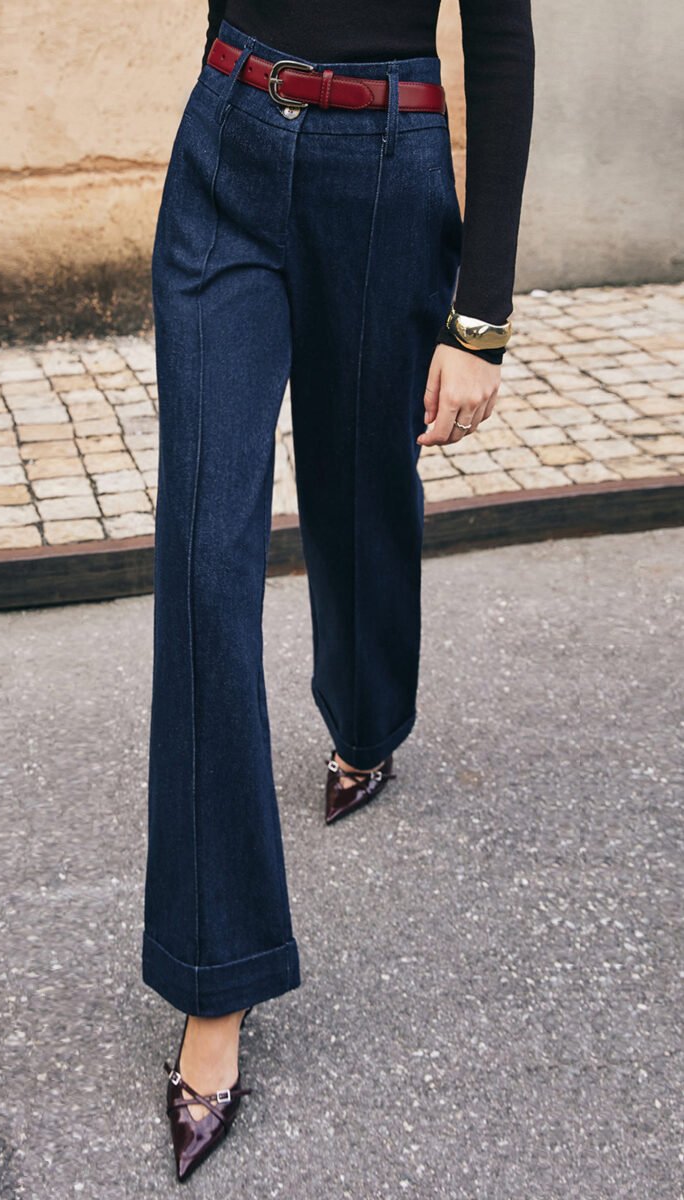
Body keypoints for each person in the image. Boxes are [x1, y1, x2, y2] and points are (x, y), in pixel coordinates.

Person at [143, 0, 535, 1180]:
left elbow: (502, 41)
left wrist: (481, 319)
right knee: (204, 562)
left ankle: (367, 720)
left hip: (385, 158)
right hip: (227, 147)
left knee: (362, 489)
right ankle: (217, 978)